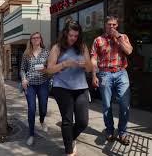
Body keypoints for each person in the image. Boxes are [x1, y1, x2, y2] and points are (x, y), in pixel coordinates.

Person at [46, 20, 92, 156]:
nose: (73, 38)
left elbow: (90, 68)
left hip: (81, 87)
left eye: (76, 36)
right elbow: (49, 70)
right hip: (62, 88)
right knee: (67, 120)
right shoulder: (57, 48)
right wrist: (64, 64)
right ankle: (69, 151)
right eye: (71, 35)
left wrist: (85, 65)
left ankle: (70, 138)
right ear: (66, 33)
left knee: (83, 122)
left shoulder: (82, 47)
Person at [91, 16, 133, 145]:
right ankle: (109, 130)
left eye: (114, 24)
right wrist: (94, 75)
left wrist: (118, 37)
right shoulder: (98, 40)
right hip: (104, 74)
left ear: (117, 25)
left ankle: (122, 132)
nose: (112, 27)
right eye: (109, 24)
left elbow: (129, 51)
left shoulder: (123, 37)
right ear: (105, 25)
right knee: (106, 105)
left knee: (124, 104)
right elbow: (93, 59)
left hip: (121, 73)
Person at [20, 32, 50, 146]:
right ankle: (31, 134)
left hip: (43, 83)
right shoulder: (26, 53)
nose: (36, 39)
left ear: (40, 39)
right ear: (31, 40)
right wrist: (23, 79)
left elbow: (50, 67)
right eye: (34, 38)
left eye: (38, 37)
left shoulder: (46, 52)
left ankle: (42, 120)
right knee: (31, 109)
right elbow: (22, 69)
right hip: (30, 85)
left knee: (43, 108)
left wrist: (46, 69)